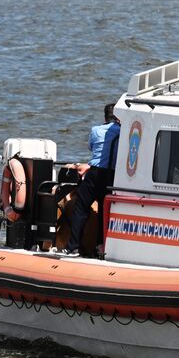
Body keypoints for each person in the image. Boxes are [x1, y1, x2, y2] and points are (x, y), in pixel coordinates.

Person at [66, 103, 119, 256]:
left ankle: (73, 247)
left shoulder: (95, 130)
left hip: (94, 174)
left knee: (81, 208)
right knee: (105, 211)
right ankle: (100, 246)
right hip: (111, 176)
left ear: (105, 117)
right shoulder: (122, 132)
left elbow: (92, 148)